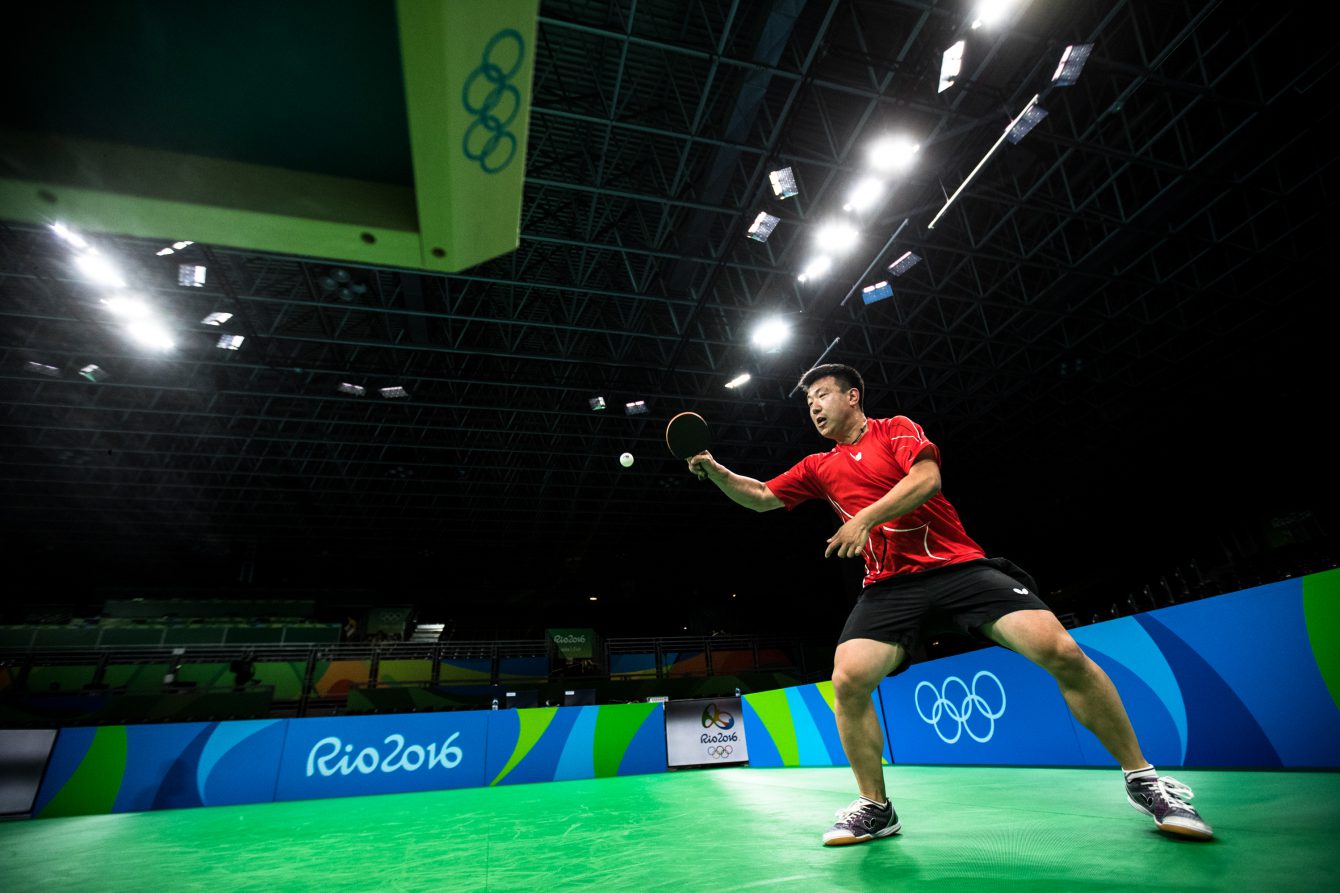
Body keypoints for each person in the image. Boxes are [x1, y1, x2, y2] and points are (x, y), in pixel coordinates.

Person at [686, 363, 1212, 846]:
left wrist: (865, 518)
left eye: (822, 396)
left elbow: (927, 478)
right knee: (847, 678)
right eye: (808, 404)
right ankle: (875, 807)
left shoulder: (895, 429)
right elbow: (758, 496)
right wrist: (714, 469)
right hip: (889, 586)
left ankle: (1144, 779)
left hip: (958, 567)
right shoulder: (818, 467)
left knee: (1063, 653)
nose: (815, 408)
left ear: (853, 396)